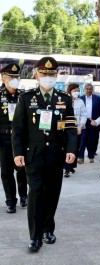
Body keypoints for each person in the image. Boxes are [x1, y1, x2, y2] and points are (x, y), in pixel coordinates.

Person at [12, 56, 77, 252]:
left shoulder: (64, 99)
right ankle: (35, 236)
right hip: (34, 156)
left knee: (52, 194)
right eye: (44, 74)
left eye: (52, 74)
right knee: (36, 194)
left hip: (56, 155)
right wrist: (18, 153)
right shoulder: (26, 98)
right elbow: (18, 129)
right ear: (36, 75)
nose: (48, 77)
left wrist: (72, 150)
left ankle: (49, 228)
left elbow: (71, 128)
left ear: (56, 76)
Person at [0, 63, 27, 213]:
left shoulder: (24, 96)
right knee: (6, 172)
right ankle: (11, 201)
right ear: (3, 78)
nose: (15, 79)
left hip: (21, 139)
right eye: (12, 77)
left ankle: (24, 196)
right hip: (4, 139)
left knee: (22, 169)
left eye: (17, 76)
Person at [64, 83, 87, 178]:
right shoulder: (65, 100)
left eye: (78, 90)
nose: (77, 92)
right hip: (66, 129)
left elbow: (84, 114)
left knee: (76, 147)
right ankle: (67, 168)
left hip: (77, 128)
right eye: (75, 91)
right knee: (67, 148)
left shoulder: (80, 102)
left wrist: (81, 126)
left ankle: (71, 165)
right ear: (70, 91)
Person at [78, 83, 100, 164]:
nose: (89, 90)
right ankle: (81, 157)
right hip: (83, 122)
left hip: (93, 122)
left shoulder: (97, 99)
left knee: (92, 140)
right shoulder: (80, 99)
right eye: (87, 89)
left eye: (90, 89)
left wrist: (99, 122)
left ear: (92, 90)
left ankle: (91, 156)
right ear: (84, 89)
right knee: (83, 140)